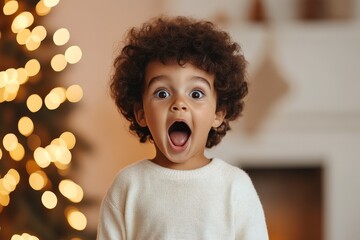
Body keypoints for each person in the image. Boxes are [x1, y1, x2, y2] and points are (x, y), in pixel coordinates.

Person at [97, 16, 268, 240]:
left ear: (218, 114)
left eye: (196, 94)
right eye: (162, 93)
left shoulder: (235, 187)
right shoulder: (127, 187)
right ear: (141, 113)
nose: (179, 103)